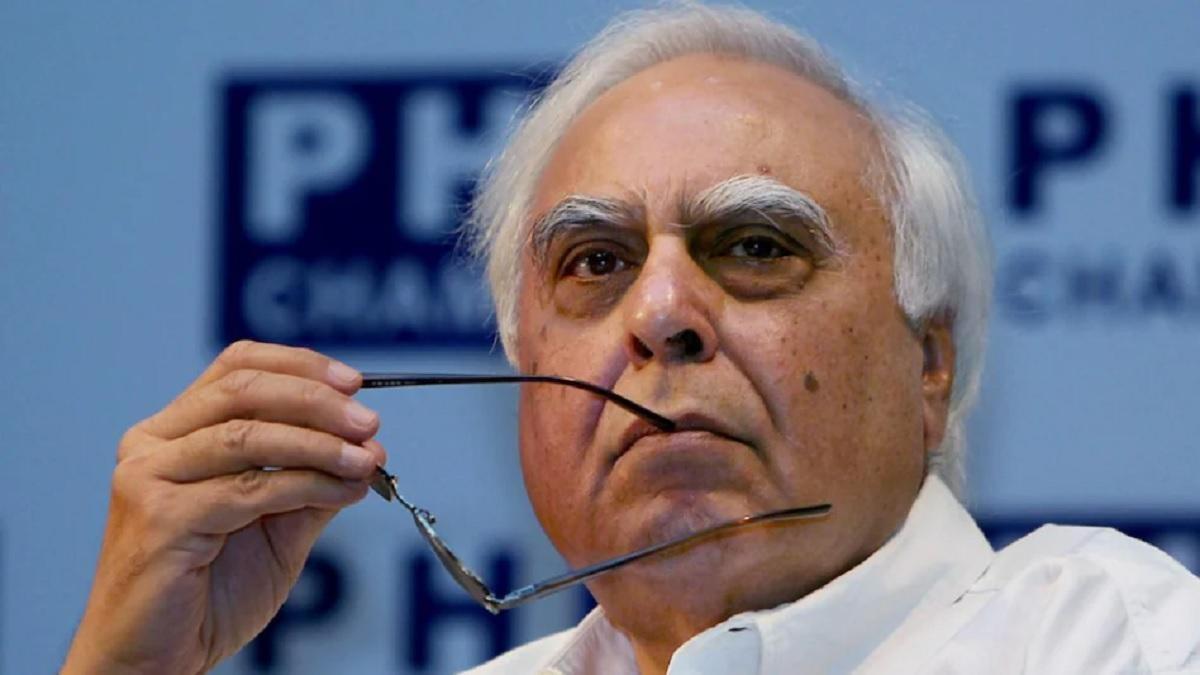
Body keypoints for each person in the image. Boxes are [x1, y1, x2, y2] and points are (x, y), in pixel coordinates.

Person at [64, 4, 1200, 674]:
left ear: (929, 364)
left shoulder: (1117, 644)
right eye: (597, 263)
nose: (659, 313)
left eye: (755, 245)